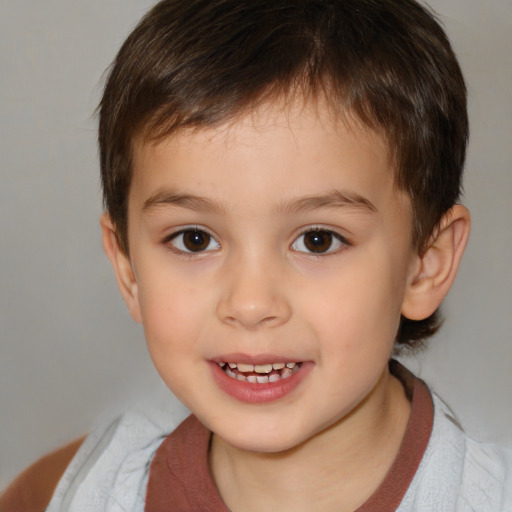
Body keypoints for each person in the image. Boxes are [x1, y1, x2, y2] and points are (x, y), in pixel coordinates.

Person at [1, 0, 511, 510]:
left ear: (425, 264)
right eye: (195, 239)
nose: (250, 304)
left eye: (318, 240)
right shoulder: (75, 491)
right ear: (129, 269)